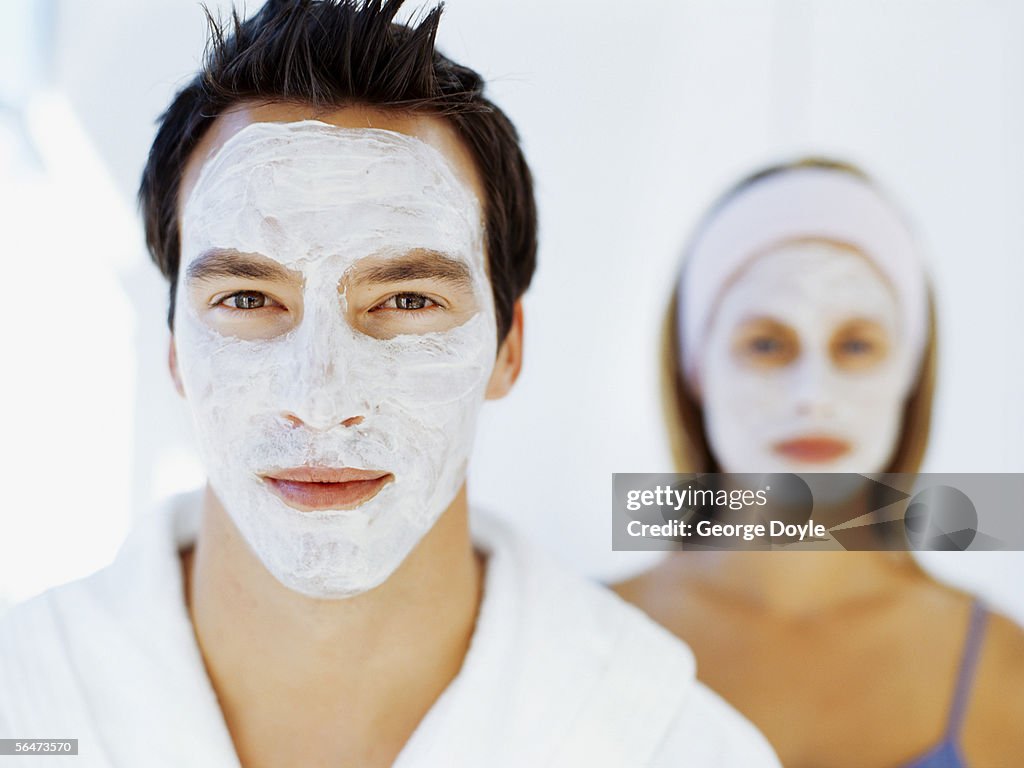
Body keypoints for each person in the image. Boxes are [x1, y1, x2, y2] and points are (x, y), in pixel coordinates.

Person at [0, 2, 780, 766]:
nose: (320, 401)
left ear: (509, 348)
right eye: (247, 299)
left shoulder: (681, 748)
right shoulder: (21, 705)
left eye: (407, 300)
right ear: (175, 346)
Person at [615, 158, 1024, 766]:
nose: (813, 394)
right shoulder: (575, 639)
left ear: (907, 374)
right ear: (696, 370)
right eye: (767, 343)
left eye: (856, 344)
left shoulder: (1002, 668)